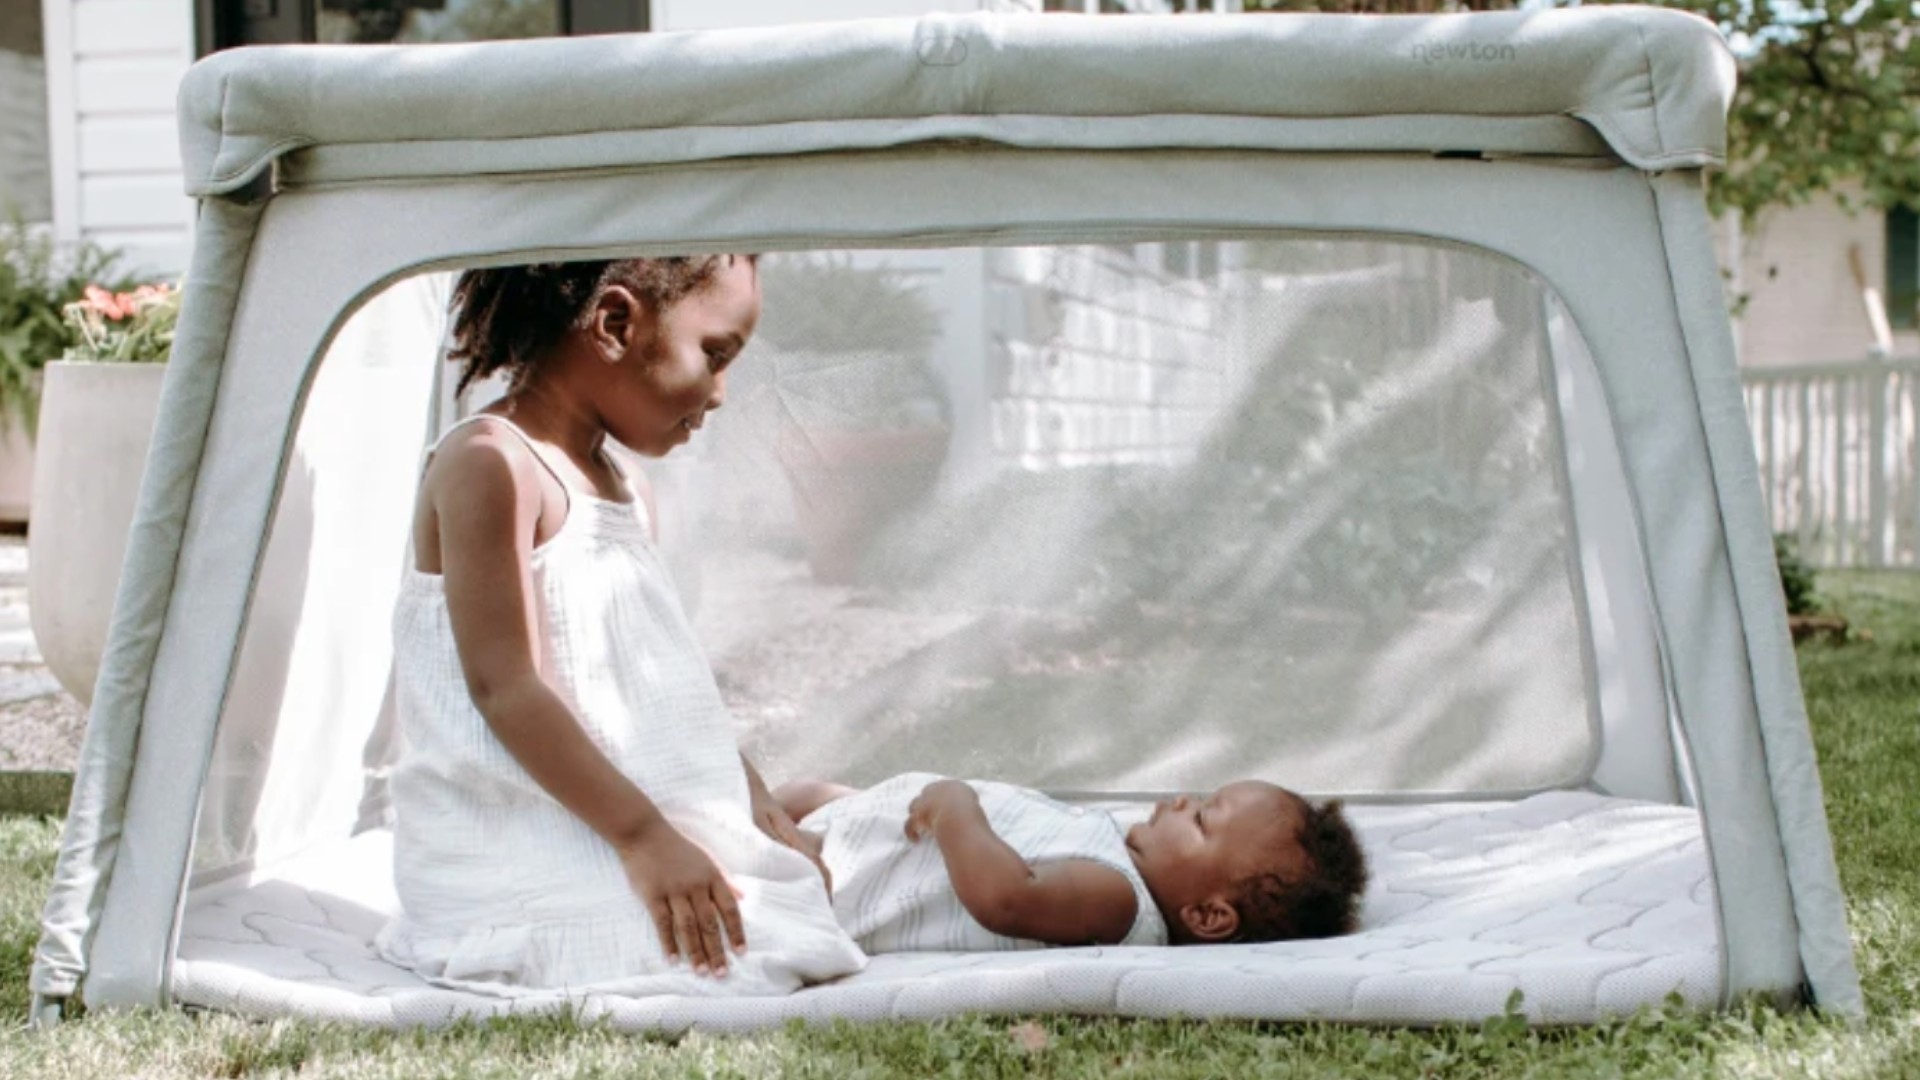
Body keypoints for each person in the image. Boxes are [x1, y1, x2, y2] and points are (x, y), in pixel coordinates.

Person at [376, 256, 864, 997]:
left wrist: (745, 786)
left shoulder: (621, 486)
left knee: (788, 885)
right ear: (614, 324)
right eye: (716, 354)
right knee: (742, 945)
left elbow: (656, 688)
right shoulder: (490, 465)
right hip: (513, 839)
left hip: (610, 814)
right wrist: (644, 839)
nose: (722, 393)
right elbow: (505, 688)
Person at [777, 772, 1368, 952]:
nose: (1184, 800)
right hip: (867, 833)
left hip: (837, 886)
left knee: (742, 805)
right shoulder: (1116, 850)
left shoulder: (1119, 900)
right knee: (792, 793)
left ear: (1209, 915)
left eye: (1203, 819)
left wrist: (957, 808)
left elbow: (1007, 896)